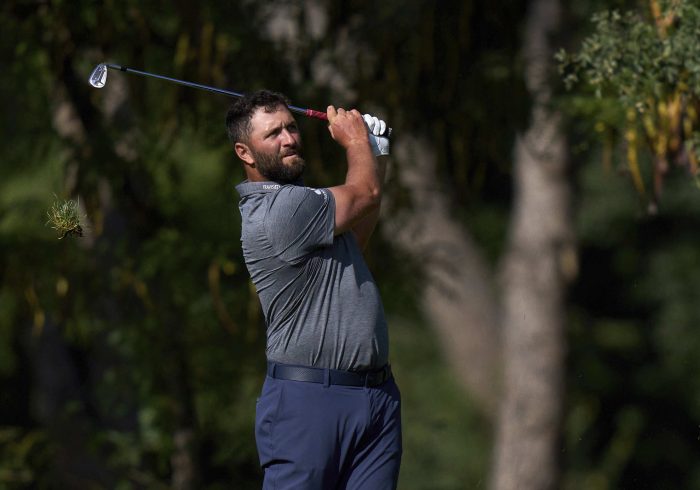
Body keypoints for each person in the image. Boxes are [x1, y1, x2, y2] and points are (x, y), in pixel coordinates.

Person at [226, 90, 400, 490]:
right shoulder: (277, 212)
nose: (288, 138)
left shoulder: (307, 206)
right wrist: (357, 142)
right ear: (245, 152)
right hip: (308, 403)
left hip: (376, 397)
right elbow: (366, 194)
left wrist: (379, 152)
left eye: (290, 127)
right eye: (273, 134)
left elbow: (358, 228)